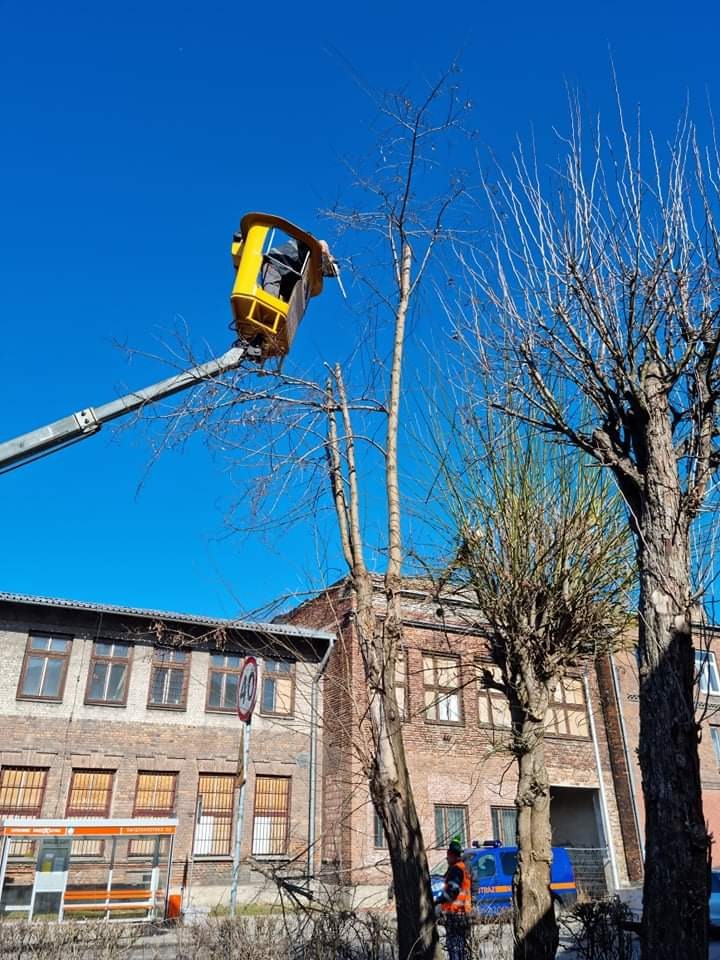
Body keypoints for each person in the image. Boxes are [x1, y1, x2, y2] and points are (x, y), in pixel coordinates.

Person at [434, 839, 472, 960]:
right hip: (462, 913)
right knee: (460, 948)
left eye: (447, 856)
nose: (447, 859)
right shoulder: (463, 868)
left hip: (455, 914)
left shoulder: (456, 870)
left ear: (451, 855)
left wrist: (437, 901)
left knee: (455, 949)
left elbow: (452, 891)